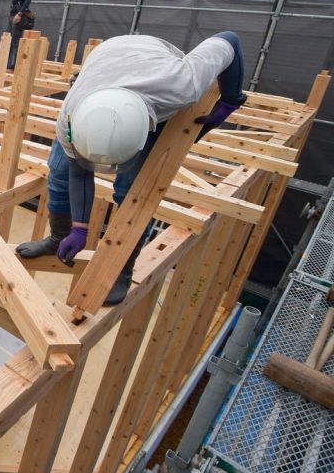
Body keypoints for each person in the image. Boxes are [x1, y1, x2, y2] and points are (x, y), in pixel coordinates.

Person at [16, 32, 246, 305]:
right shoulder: (70, 115)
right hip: (107, 58)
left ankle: (122, 268)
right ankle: (59, 237)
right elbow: (79, 172)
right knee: (60, 172)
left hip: (153, 66)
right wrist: (79, 228)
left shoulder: (182, 85)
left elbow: (228, 40)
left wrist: (230, 100)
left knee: (134, 190)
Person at [3, 0, 34, 69]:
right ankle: (8, 63)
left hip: (19, 14)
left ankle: (13, 65)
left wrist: (20, 14)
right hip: (13, 13)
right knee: (8, 37)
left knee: (15, 40)